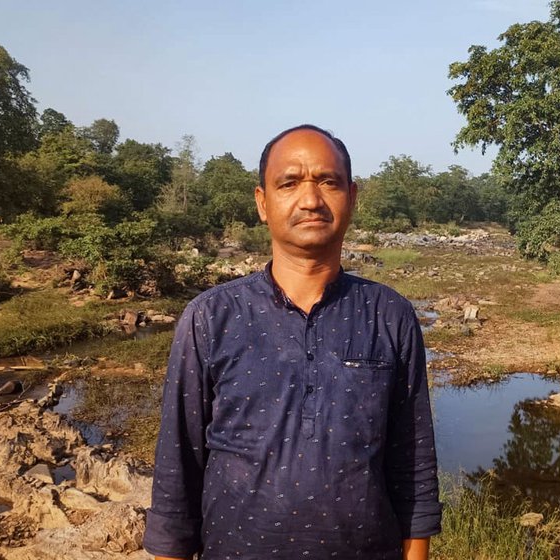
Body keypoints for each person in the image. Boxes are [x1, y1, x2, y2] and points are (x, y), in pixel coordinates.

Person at [143, 125, 442, 560]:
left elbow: (412, 464)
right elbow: (178, 469)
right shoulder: (210, 317)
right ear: (263, 203)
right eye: (289, 183)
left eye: (328, 181)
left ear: (352, 198)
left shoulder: (389, 314)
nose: (310, 199)